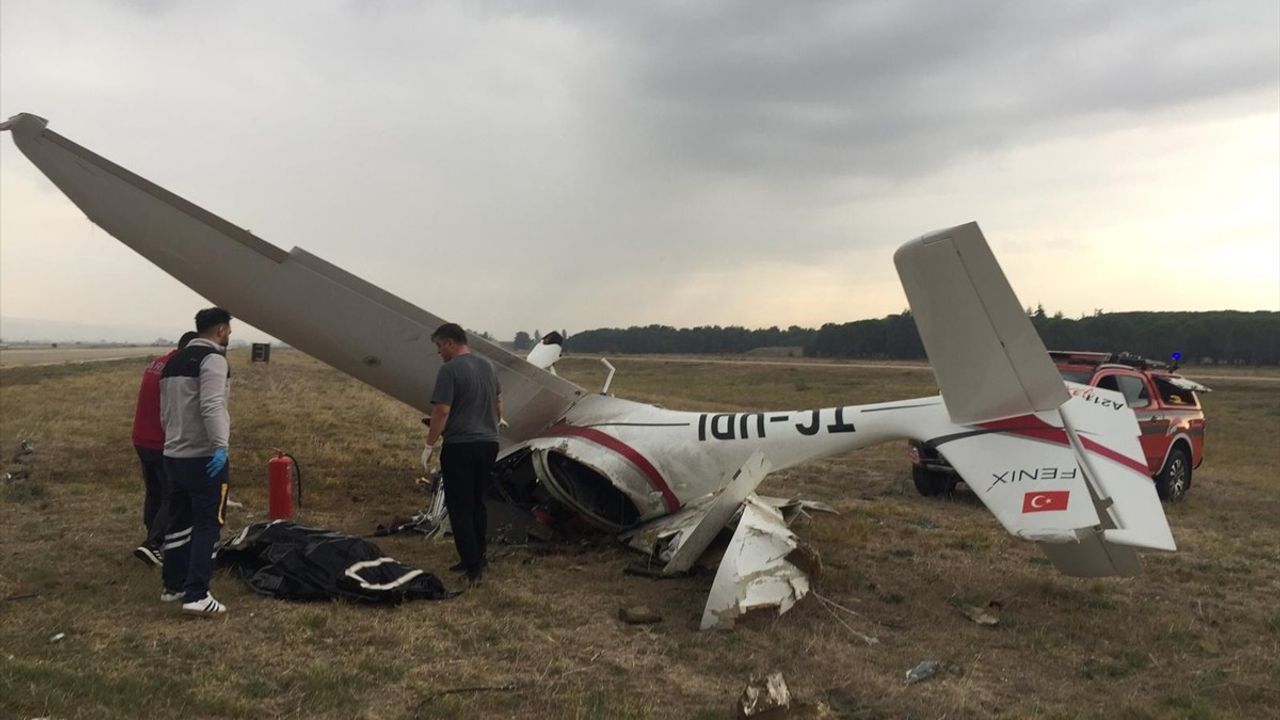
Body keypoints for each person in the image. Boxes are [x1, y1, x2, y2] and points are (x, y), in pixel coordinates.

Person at [158, 307, 233, 616]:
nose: (229, 334)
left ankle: (172, 586)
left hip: (173, 454)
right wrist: (221, 446)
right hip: (203, 457)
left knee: (178, 521)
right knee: (207, 525)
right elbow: (213, 403)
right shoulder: (213, 359)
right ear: (220, 330)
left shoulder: (173, 361)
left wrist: (172, 440)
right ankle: (197, 594)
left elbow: (166, 411)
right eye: (228, 329)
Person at [423, 322, 502, 584]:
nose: (438, 353)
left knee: (460, 507)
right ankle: (479, 558)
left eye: (438, 346)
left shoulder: (449, 370)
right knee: (478, 503)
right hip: (489, 444)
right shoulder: (488, 366)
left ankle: (472, 569)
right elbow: (498, 403)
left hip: (461, 446)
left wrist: (429, 444)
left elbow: (442, 411)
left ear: (449, 343)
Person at [132, 331, 198, 567]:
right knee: (174, 493)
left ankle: (152, 539)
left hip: (141, 437)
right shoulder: (179, 368)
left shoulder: (156, 363)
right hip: (162, 441)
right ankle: (153, 543)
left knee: (154, 492)